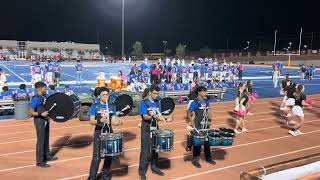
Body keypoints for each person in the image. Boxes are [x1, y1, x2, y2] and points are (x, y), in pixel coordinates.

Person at [87, 87, 118, 180]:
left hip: (109, 132)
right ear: (99, 96)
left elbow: (113, 120)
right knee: (97, 158)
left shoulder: (112, 106)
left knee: (109, 157)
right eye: (103, 95)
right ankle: (92, 178)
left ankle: (105, 177)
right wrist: (100, 120)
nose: (105, 97)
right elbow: (91, 121)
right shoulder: (95, 106)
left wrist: (117, 121)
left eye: (107, 95)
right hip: (99, 133)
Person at [138, 85, 166, 180]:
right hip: (146, 127)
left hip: (155, 126)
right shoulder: (144, 102)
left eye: (157, 93)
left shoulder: (158, 102)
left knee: (155, 148)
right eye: (155, 93)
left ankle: (154, 167)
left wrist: (163, 118)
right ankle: (142, 172)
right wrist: (155, 117)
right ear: (150, 92)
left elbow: (159, 114)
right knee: (145, 150)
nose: (156, 95)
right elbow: (145, 116)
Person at [29, 82, 58, 168]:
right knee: (41, 140)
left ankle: (47, 155)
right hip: (39, 120)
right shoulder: (36, 98)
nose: (46, 89)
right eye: (45, 87)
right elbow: (30, 111)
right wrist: (41, 114)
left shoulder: (43, 96)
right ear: (41, 88)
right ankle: (39, 161)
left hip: (45, 120)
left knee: (46, 138)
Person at [187, 86, 215, 168]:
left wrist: (209, 114)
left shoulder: (206, 101)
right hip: (198, 125)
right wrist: (192, 123)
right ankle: (195, 159)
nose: (205, 93)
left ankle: (208, 157)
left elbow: (209, 113)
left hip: (206, 125)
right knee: (197, 143)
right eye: (203, 91)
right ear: (199, 92)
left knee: (207, 142)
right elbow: (189, 112)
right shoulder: (194, 102)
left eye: (205, 91)